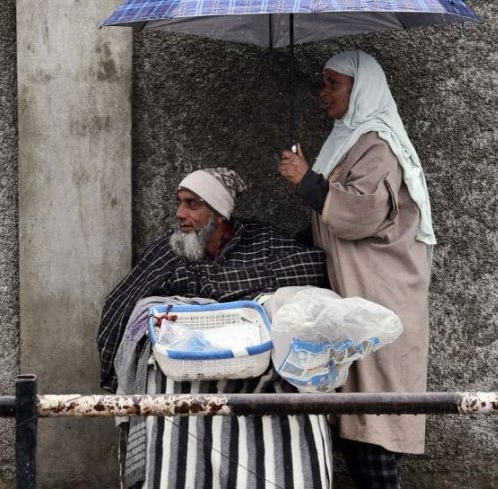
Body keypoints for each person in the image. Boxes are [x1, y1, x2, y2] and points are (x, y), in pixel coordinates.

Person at [97, 167, 333, 489]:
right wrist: (113, 376)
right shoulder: (167, 253)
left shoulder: (260, 240)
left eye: (192, 204)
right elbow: (118, 306)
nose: (180, 214)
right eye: (179, 203)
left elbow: (314, 265)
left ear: (219, 215)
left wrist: (218, 286)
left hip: (253, 379)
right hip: (185, 384)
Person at [278, 50, 436, 489]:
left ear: (360, 88)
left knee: (376, 422)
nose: (323, 92)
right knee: (357, 421)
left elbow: (362, 213)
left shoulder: (377, 144)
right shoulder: (348, 139)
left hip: (382, 296)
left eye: (334, 83)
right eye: (322, 82)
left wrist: (309, 180)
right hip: (357, 294)